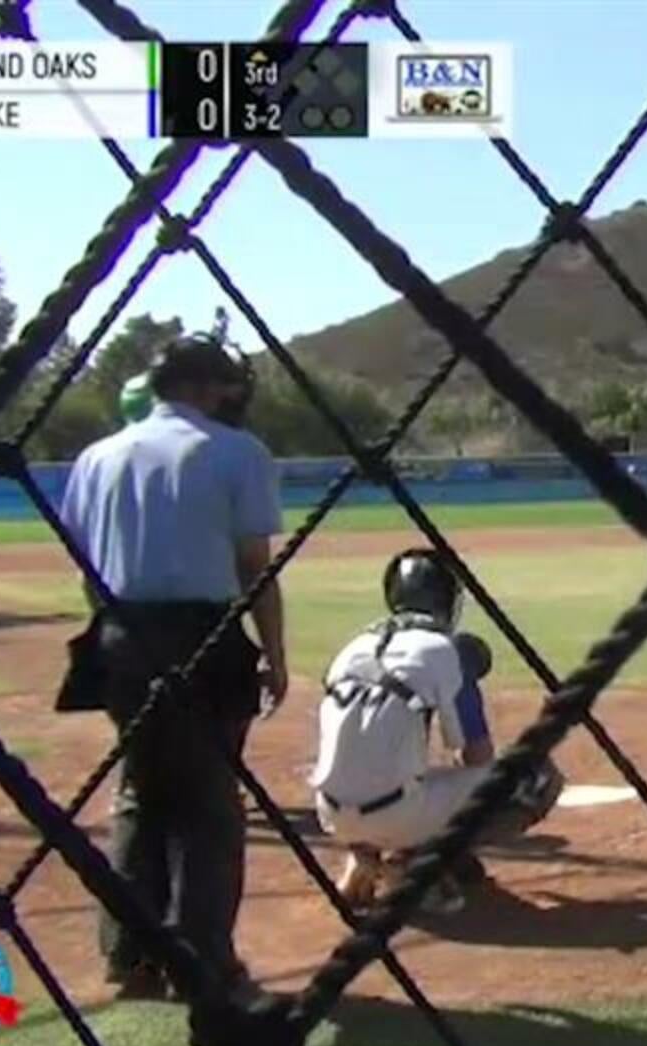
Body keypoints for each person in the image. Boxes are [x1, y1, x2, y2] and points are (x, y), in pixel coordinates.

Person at [57, 334, 285, 1000]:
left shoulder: (97, 456)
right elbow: (254, 569)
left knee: (141, 792)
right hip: (204, 635)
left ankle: (129, 954)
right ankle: (203, 963)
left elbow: (87, 572)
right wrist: (273, 654)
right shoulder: (236, 451)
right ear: (206, 387)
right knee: (209, 805)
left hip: (121, 636)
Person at [311, 548, 563, 912]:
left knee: (377, 763)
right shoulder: (446, 651)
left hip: (331, 814)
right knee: (537, 777)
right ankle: (413, 865)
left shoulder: (352, 649)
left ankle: (363, 857)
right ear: (447, 600)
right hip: (396, 814)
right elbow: (477, 757)